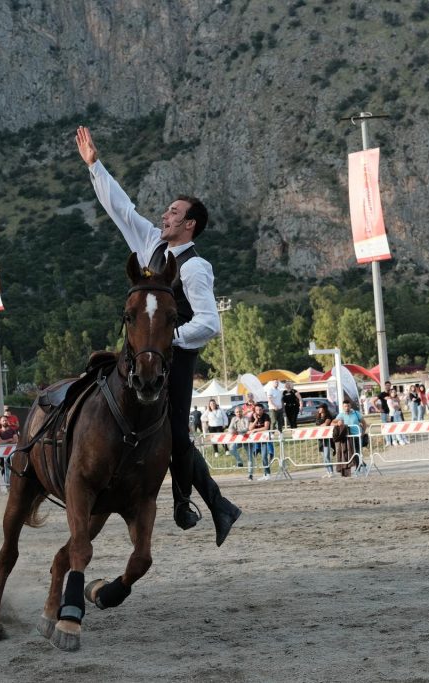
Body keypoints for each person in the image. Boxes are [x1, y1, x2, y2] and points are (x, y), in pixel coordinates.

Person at [76, 125, 241, 545]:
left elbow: (209, 322)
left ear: (188, 225)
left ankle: (187, 502)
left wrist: (169, 340)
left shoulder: (195, 268)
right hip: (140, 350)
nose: (163, 216)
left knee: (178, 435)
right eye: (165, 212)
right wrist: (95, 166)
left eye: (172, 212)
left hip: (175, 356)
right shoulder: (150, 241)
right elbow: (121, 209)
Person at [248, 404, 274, 481]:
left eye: (260, 410)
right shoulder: (253, 416)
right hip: (257, 440)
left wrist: (256, 430)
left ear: (263, 410)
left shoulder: (266, 416)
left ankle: (267, 474)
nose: (259, 411)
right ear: (255, 410)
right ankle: (265, 474)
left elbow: (266, 427)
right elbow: (250, 428)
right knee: (260, 457)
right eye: (257, 410)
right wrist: (255, 420)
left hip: (265, 439)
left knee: (264, 457)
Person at [225, 406, 250, 472]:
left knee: (249, 453)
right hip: (237, 439)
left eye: (240, 411)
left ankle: (251, 466)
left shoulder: (246, 418)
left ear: (242, 411)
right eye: (237, 412)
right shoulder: (233, 419)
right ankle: (239, 462)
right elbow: (230, 428)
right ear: (235, 413)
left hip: (246, 438)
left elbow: (247, 428)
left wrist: (237, 431)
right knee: (232, 449)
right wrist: (232, 431)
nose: (239, 413)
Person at [315, 404, 335, 477]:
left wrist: (319, 427)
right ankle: (327, 471)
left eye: (320, 408)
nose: (319, 409)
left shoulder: (328, 416)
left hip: (326, 438)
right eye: (318, 408)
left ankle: (331, 472)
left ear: (324, 408)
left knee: (327, 456)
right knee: (323, 457)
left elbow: (326, 424)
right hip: (320, 439)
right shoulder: (318, 417)